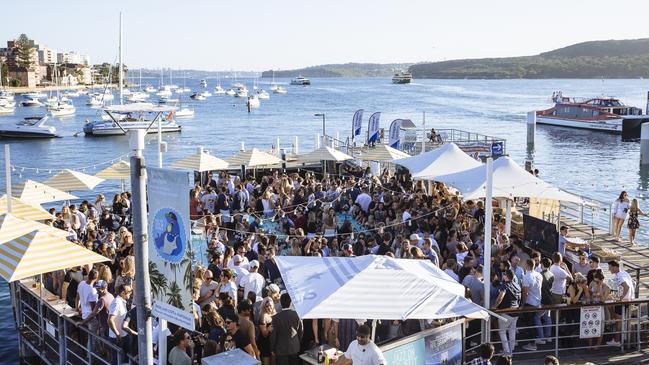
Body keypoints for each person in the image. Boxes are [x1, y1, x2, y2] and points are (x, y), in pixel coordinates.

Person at [493, 269, 520, 356]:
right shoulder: (517, 285)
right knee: (512, 331)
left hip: (506, 312)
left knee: (502, 331)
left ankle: (507, 352)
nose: (502, 276)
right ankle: (511, 351)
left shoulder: (504, 285)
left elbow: (501, 296)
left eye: (504, 274)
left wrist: (494, 306)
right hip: (516, 311)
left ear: (507, 276)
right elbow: (520, 298)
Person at [607, 260, 635, 346]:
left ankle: (617, 340)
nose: (609, 269)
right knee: (617, 318)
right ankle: (619, 338)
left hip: (624, 301)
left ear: (615, 267)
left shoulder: (619, 276)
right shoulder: (625, 273)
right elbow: (632, 283)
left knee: (618, 320)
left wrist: (621, 298)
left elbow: (626, 287)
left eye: (610, 267)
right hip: (629, 299)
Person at [269, 293, 303, 365]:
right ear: (290, 303)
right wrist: (297, 341)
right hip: (294, 347)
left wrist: (272, 348)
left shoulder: (275, 318)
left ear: (281, 303)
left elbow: (273, 335)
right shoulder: (297, 315)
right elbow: (301, 331)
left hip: (281, 349)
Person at [521, 259, 545, 351]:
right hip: (537, 302)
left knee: (530, 324)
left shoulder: (526, 276)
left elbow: (525, 292)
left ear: (527, 265)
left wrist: (523, 304)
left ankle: (532, 344)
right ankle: (534, 340)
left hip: (529, 303)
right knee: (534, 322)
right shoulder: (539, 275)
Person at [108, 284, 132, 365]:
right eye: (129, 292)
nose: (130, 293)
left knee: (125, 360)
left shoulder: (122, 302)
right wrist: (118, 335)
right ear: (122, 293)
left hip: (124, 336)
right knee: (117, 360)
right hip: (117, 338)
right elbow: (110, 320)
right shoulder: (116, 302)